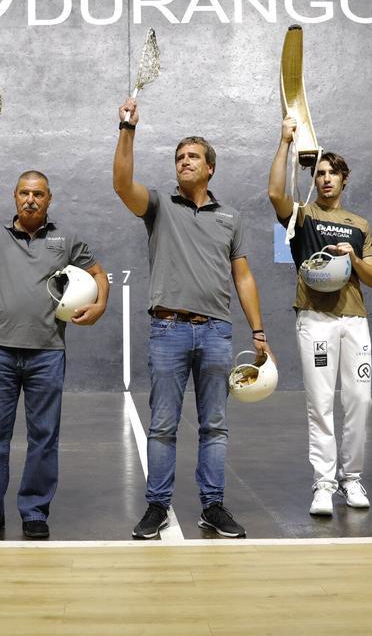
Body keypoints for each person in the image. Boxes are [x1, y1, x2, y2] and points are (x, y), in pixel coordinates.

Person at [113, 98, 272, 539]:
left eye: (193, 157)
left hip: (218, 333)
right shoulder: (160, 205)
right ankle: (157, 507)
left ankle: (213, 507)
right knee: (163, 425)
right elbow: (122, 184)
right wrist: (127, 130)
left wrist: (258, 331)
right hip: (168, 330)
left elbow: (243, 277)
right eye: (179, 157)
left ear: (210, 168)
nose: (184, 162)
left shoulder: (230, 218)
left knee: (215, 426)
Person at [0, 165, 109, 539]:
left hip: (47, 352)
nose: (30, 199)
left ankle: (34, 511)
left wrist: (99, 306)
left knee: (44, 435)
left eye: (38, 194)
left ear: (49, 199)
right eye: (24, 193)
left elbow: (98, 274)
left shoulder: (65, 239)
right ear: (14, 197)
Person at [268, 117, 372, 516]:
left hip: (354, 320)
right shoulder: (303, 216)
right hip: (314, 318)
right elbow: (274, 191)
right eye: (319, 174)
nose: (325, 179)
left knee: (359, 401)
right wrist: (284, 142)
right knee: (319, 403)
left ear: (345, 179)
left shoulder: (360, 225)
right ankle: (323, 484)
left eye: (332, 173)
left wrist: (350, 255)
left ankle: (352, 479)